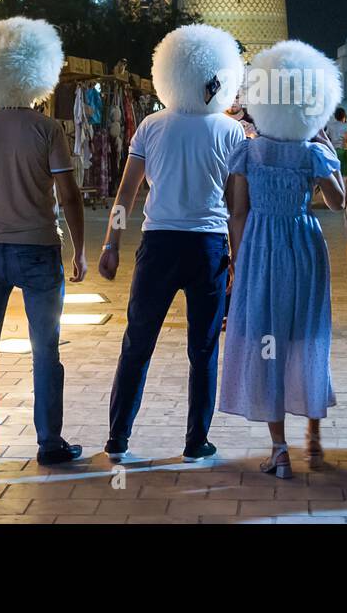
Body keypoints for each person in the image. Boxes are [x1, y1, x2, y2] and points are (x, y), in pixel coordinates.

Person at [99, 24, 246, 463]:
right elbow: (238, 209)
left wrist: (111, 243)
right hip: (209, 248)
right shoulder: (231, 132)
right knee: (203, 350)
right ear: (219, 77)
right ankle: (195, 441)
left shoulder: (150, 126)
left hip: (158, 244)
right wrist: (239, 261)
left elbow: (126, 193)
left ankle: (118, 437)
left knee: (137, 342)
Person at [0, 18, 87, 466]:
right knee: (45, 348)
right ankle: (49, 442)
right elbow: (68, 195)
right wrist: (80, 249)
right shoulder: (48, 131)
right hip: (39, 249)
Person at [220, 41, 346, 478]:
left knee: (267, 339)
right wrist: (324, 143)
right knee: (307, 334)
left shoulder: (249, 152)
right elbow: (338, 202)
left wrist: (239, 261)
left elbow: (237, 213)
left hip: (259, 246)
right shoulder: (311, 151)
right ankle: (313, 435)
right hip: (304, 244)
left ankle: (279, 449)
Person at [324, 106, 347, 198]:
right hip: (343, 150)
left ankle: (335, 196)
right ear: (344, 116)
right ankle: (346, 198)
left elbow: (326, 137)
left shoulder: (330, 125)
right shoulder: (346, 126)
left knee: (336, 174)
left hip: (333, 151)